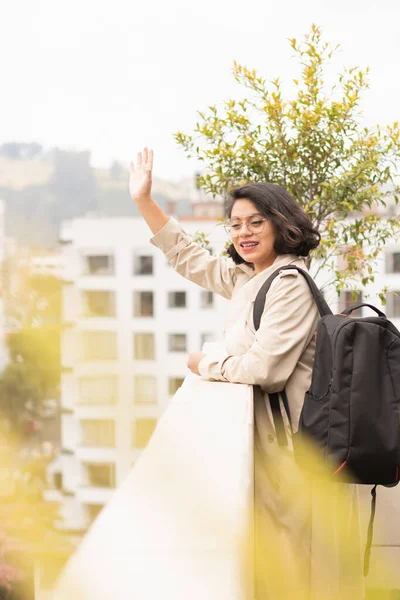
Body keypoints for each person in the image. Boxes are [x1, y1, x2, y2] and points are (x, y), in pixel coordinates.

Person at [129, 148, 364, 599]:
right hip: (275, 448)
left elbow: (265, 370)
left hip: (299, 451)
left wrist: (205, 362)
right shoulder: (249, 278)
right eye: (235, 224)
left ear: (282, 223)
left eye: (256, 221)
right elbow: (187, 257)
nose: (244, 232)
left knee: (302, 568)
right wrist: (144, 201)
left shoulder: (289, 282)